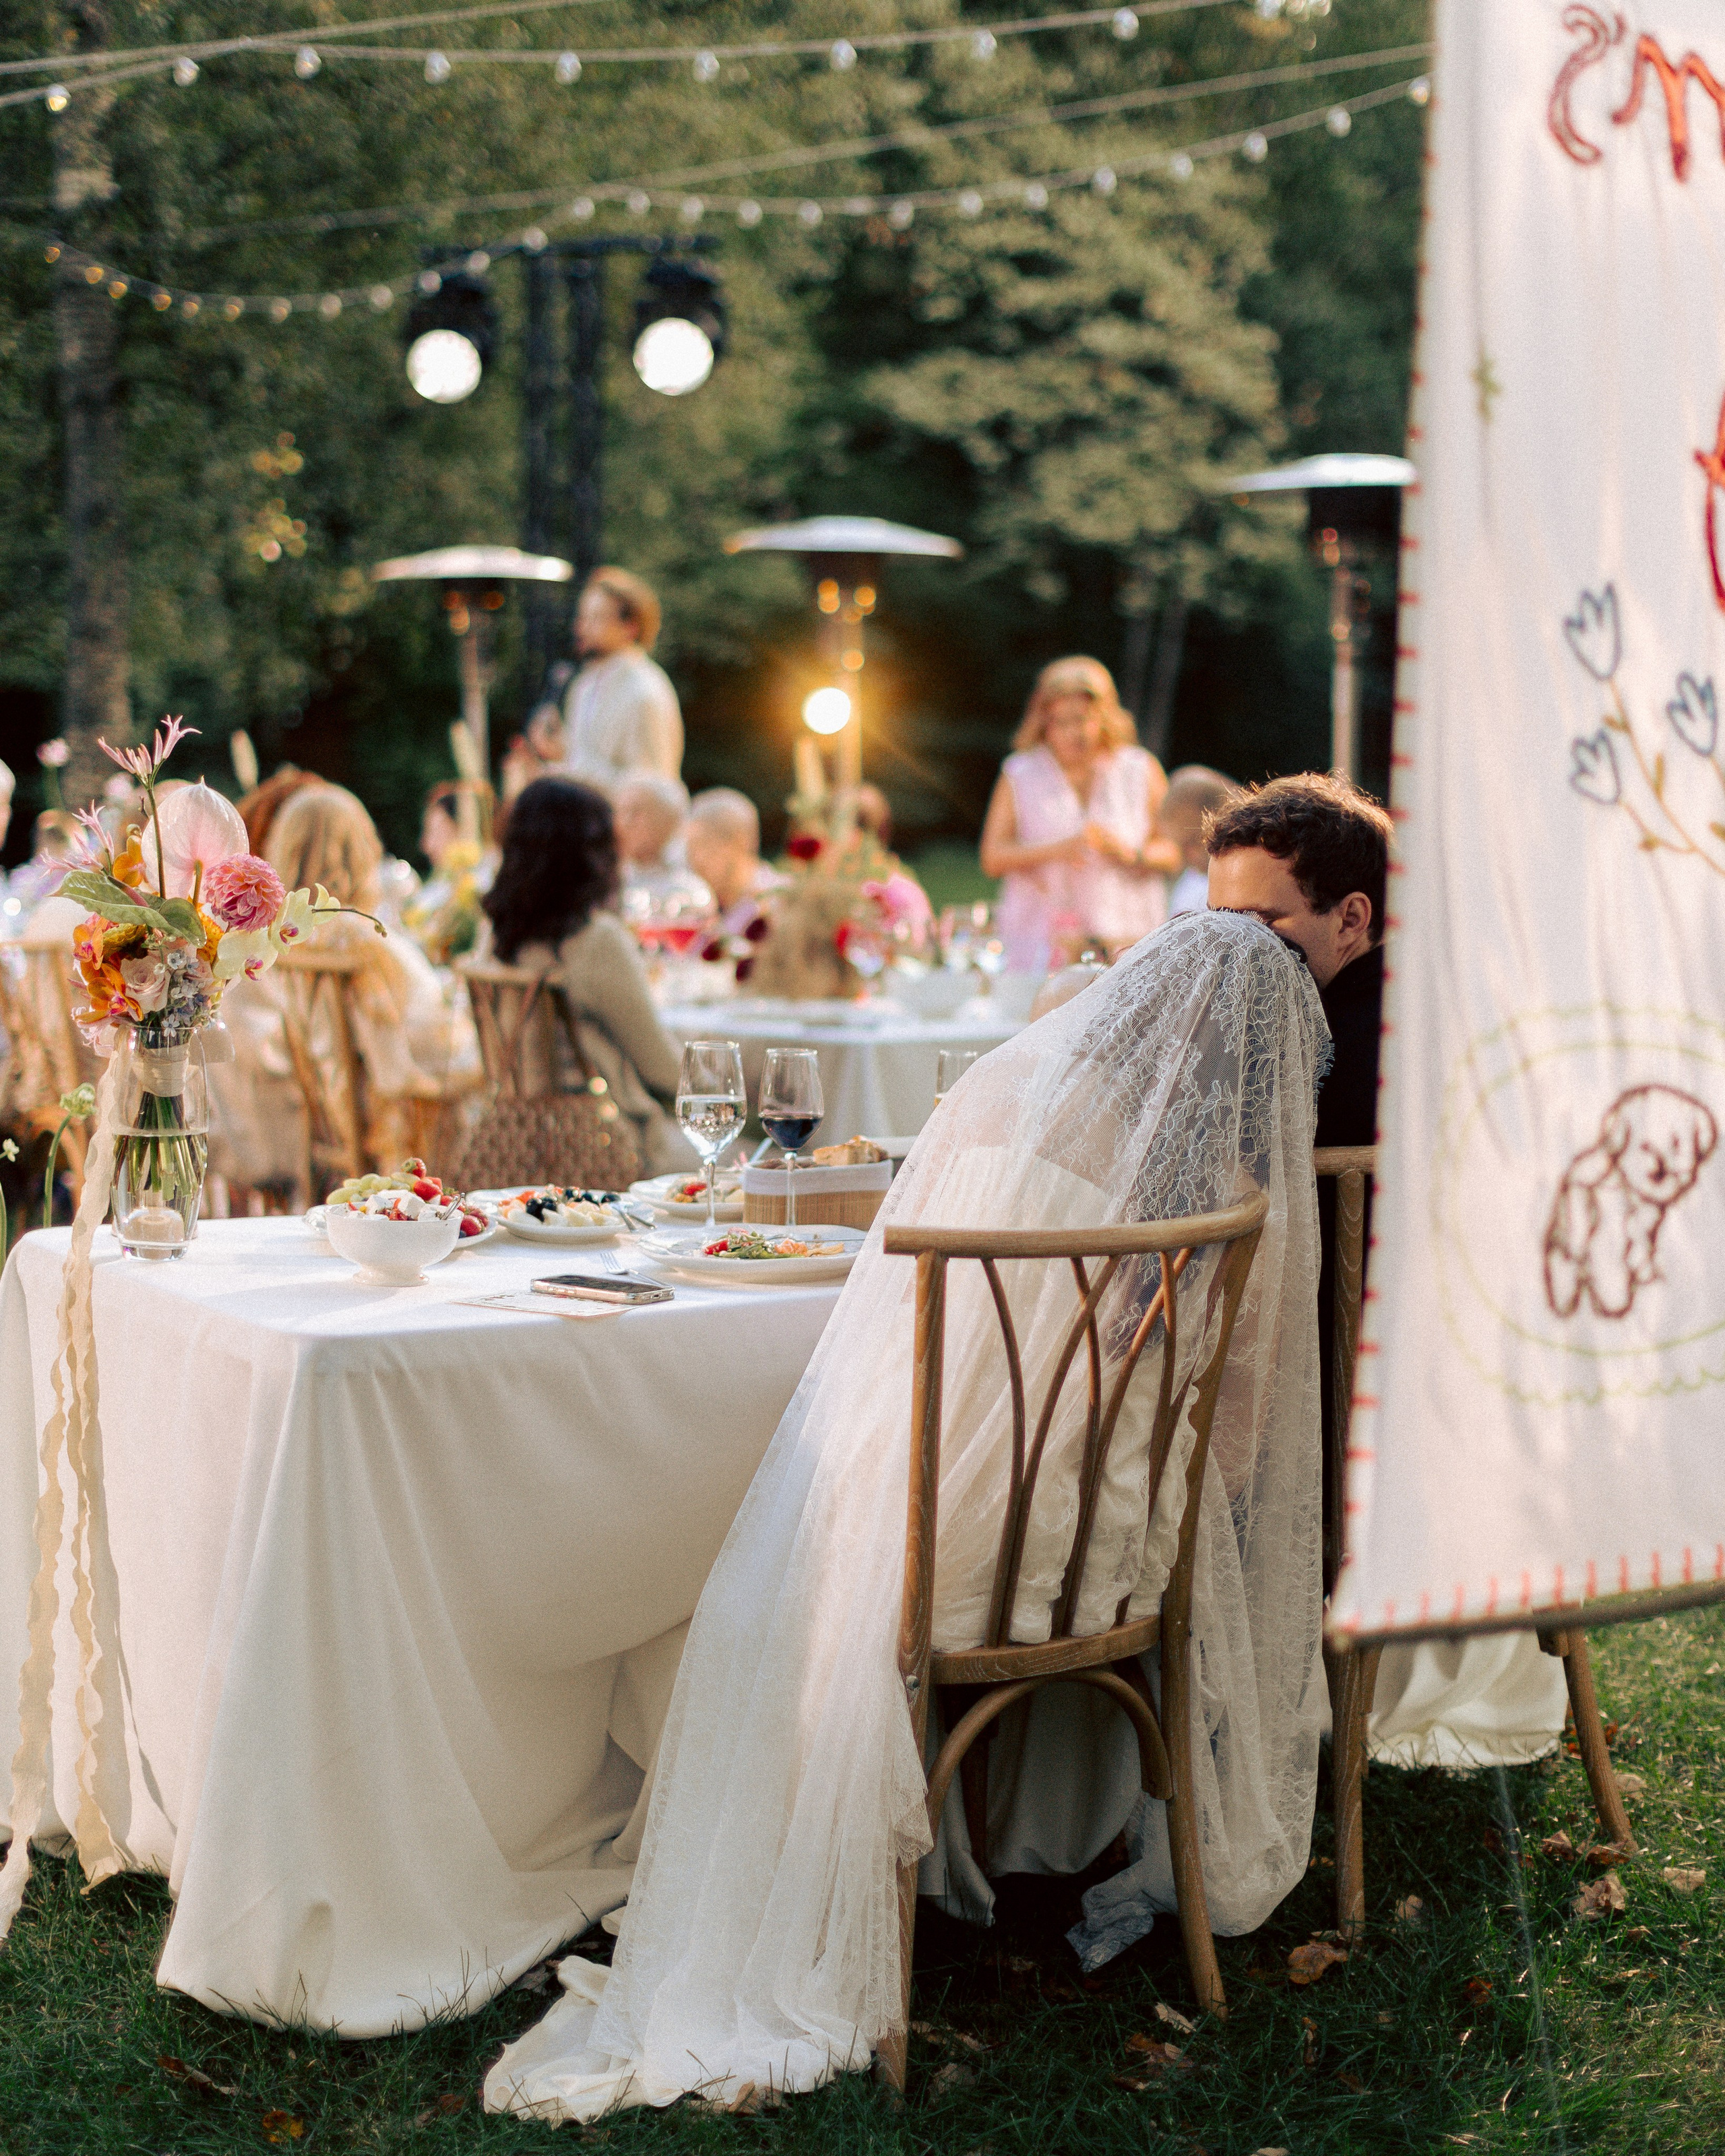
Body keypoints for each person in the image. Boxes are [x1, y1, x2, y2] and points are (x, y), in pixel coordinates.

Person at [484, 910, 1329, 2122]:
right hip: (1110, 1568)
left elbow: (881, 1362)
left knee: (754, 1555)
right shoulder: (1243, 1202)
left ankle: (753, 1878)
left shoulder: (995, 1111)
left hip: (957, 1553)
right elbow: (1235, 1454)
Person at [1205, 773, 1566, 1769]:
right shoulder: (1452, 995)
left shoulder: (1339, 1048)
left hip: (1355, 1394)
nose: (1230, 952)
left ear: (1352, 918)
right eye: (1214, 926)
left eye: (1259, 924)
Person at [208, 785, 479, 1203]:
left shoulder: (274, 941)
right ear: (359, 851)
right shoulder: (362, 941)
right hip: (386, 1129)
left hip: (324, 1119)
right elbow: (423, 1051)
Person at [477, 778, 696, 1176]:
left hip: (518, 1147)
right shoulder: (596, 941)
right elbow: (664, 1070)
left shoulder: (495, 936)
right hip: (605, 1149)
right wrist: (735, 1091)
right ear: (593, 853)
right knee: (757, 1153)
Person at [980, 656, 1182, 974]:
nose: (1078, 732)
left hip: (1126, 934)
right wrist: (1059, 850)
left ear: (1106, 716)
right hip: (1043, 939)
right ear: (1044, 722)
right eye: (1065, 721)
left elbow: (1175, 851)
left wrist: (1130, 853)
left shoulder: (1139, 769)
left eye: (1086, 719)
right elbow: (993, 857)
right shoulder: (1020, 773)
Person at [558, 568, 684, 792]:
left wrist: (570, 765)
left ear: (630, 628)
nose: (582, 628)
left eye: (596, 618)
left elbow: (652, 791)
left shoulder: (645, 693)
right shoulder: (584, 685)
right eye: (582, 617)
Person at [683, 788, 785, 938]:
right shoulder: (701, 907)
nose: (697, 859)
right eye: (691, 848)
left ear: (741, 842)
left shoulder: (779, 903)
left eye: (705, 845)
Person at [613, 774, 711, 917]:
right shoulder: (602, 883)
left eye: (636, 813)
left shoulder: (689, 892)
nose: (625, 822)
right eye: (621, 811)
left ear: (668, 822)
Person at [1160, 764, 1243, 917]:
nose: (1189, 858)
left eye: (1192, 845)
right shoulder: (1191, 883)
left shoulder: (1245, 890)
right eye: (1182, 849)